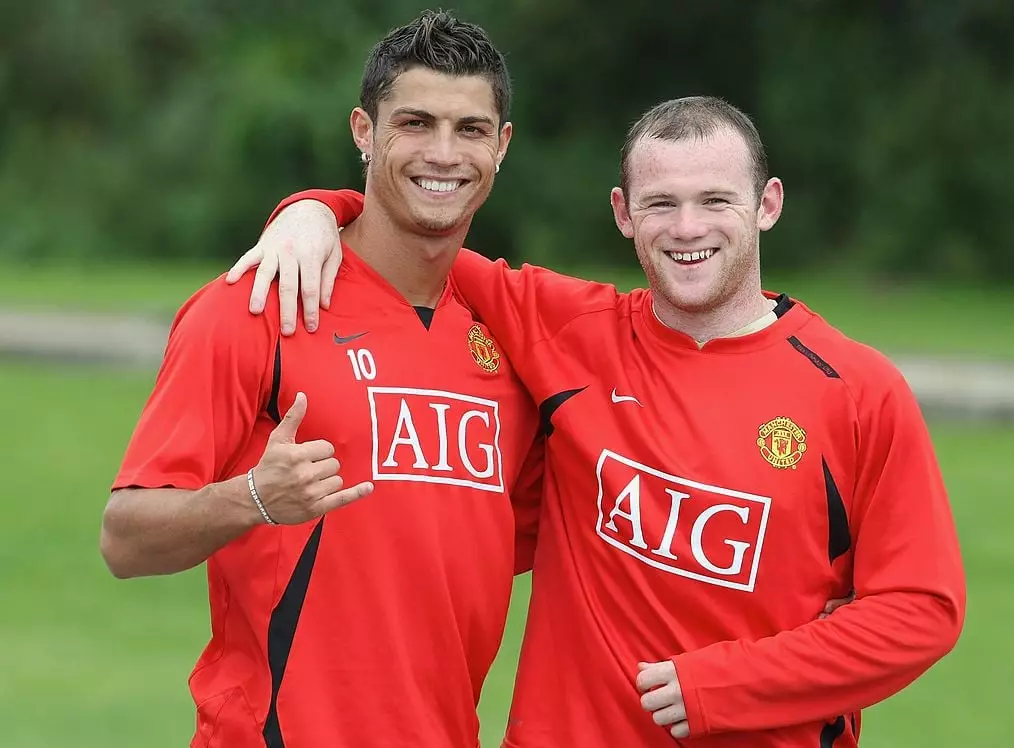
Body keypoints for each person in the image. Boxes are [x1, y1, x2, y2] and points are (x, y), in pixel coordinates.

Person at [231, 96, 966, 746]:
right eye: (660, 204)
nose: (687, 228)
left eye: (716, 200)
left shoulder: (856, 390)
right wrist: (314, 210)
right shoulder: (571, 330)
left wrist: (725, 687)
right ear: (622, 212)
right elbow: (418, 238)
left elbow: (920, 611)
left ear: (767, 203)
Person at [101, 11, 545, 748]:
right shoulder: (255, 305)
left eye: (469, 129)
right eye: (414, 122)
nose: (443, 152)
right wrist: (250, 500)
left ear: (502, 146)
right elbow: (124, 540)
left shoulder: (516, 334)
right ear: (363, 133)